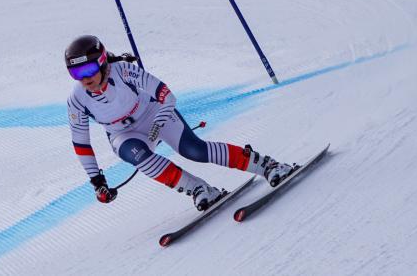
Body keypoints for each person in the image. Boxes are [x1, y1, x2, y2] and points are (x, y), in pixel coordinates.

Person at [65, 35, 295, 211]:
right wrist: (97, 182)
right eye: (76, 73)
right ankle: (200, 189)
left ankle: (267, 165)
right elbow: (81, 144)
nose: (84, 78)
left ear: (103, 62)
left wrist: (158, 122)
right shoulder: (77, 99)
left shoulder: (123, 71)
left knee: (193, 150)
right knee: (137, 155)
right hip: (122, 133)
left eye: (88, 69)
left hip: (154, 112)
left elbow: (167, 96)